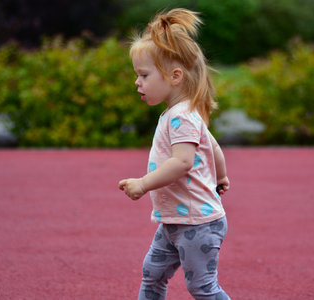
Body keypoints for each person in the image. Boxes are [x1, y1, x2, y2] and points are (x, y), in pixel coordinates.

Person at [118, 8, 231, 300]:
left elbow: (182, 162)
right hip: (175, 221)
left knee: (202, 287)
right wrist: (221, 176)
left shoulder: (181, 117)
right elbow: (214, 147)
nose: (137, 82)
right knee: (152, 274)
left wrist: (143, 183)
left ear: (175, 76)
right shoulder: (184, 114)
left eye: (143, 75)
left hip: (196, 224)